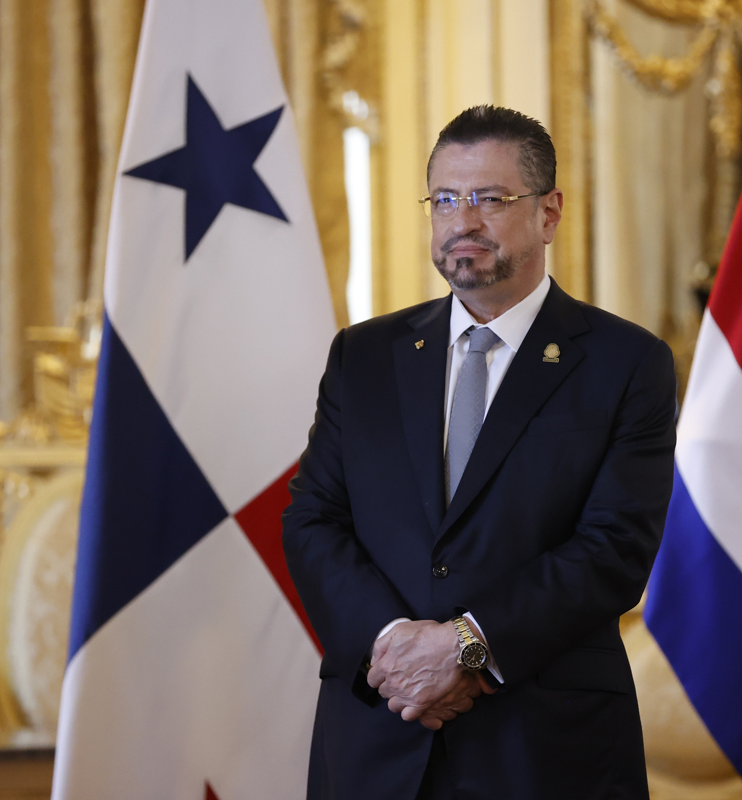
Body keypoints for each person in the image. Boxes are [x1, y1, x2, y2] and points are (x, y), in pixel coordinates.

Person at [282, 105, 677, 800]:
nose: (462, 221)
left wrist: (465, 649)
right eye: (444, 200)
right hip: (379, 733)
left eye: (491, 200)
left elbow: (614, 549)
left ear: (549, 213)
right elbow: (313, 519)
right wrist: (393, 646)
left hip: (544, 750)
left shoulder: (626, 363)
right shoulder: (364, 356)